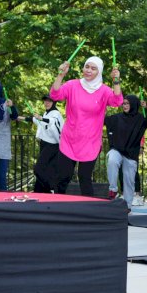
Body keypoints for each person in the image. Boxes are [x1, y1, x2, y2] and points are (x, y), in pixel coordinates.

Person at [50, 56, 122, 197]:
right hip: (69, 139)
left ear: (99, 72)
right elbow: (55, 95)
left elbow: (117, 101)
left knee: (85, 178)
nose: (88, 70)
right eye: (87, 67)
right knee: (63, 177)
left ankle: (88, 208)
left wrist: (116, 80)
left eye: (93, 68)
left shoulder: (104, 90)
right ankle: (57, 205)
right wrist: (61, 75)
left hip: (90, 142)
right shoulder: (72, 85)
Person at [105, 94, 147, 207]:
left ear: (134, 104)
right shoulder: (117, 117)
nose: (125, 106)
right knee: (111, 159)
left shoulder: (140, 119)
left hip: (131, 154)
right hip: (117, 150)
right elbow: (103, 120)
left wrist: (145, 108)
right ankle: (113, 189)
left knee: (129, 181)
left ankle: (127, 206)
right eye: (124, 103)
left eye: (127, 103)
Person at [32, 95, 64, 193]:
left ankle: (52, 188)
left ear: (54, 102)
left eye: (49, 101)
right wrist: (19, 117)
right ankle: (40, 192)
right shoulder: (46, 113)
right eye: (45, 101)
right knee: (46, 170)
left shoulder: (56, 114)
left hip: (53, 145)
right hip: (45, 144)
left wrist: (41, 118)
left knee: (38, 169)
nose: (46, 103)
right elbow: (38, 121)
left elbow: (51, 122)